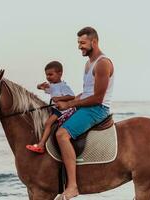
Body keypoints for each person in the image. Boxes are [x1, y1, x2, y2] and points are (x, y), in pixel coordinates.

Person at [54, 27, 114, 199]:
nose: (79, 46)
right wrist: (66, 102)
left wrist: (71, 104)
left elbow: (97, 98)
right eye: (78, 43)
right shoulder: (89, 63)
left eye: (82, 43)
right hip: (87, 105)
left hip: (97, 109)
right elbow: (87, 93)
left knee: (62, 134)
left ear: (93, 42)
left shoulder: (103, 63)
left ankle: (72, 187)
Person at [26, 61, 75, 153]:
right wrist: (40, 86)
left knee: (48, 123)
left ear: (60, 74)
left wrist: (59, 98)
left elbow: (72, 96)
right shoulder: (52, 85)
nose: (48, 77)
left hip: (63, 110)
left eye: (50, 74)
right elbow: (40, 88)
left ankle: (41, 145)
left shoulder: (63, 86)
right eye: (46, 75)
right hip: (55, 108)